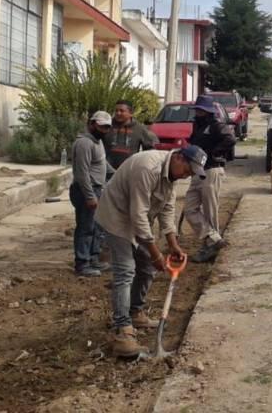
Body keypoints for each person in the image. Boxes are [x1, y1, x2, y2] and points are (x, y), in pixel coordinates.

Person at [95, 145, 208, 358]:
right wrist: (156, 253)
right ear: (179, 158)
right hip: (117, 217)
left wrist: (173, 244)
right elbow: (138, 214)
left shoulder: (171, 177)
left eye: (191, 174)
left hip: (137, 221)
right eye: (187, 170)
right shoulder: (148, 168)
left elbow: (166, 210)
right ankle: (122, 332)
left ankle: (135, 312)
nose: (186, 176)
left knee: (146, 268)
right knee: (126, 270)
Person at [180, 94, 236, 263]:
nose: (198, 112)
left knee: (210, 211)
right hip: (197, 171)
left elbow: (230, 139)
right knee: (190, 209)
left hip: (212, 170)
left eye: (201, 109)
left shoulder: (216, 125)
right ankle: (214, 239)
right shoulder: (197, 125)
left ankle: (210, 247)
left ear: (208, 111)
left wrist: (215, 152)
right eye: (197, 109)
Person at [70, 111, 113, 277]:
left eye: (107, 127)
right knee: (85, 227)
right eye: (101, 126)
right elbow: (82, 173)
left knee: (97, 226)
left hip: (97, 188)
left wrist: (118, 174)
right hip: (85, 190)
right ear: (92, 124)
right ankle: (82, 263)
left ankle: (93, 258)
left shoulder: (98, 142)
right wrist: (89, 196)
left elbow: (103, 164)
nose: (104, 130)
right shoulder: (84, 144)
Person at [103, 99, 158, 174]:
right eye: (116, 111)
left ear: (131, 113)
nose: (118, 113)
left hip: (129, 172)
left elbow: (150, 149)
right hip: (106, 172)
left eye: (122, 111)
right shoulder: (107, 125)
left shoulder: (139, 129)